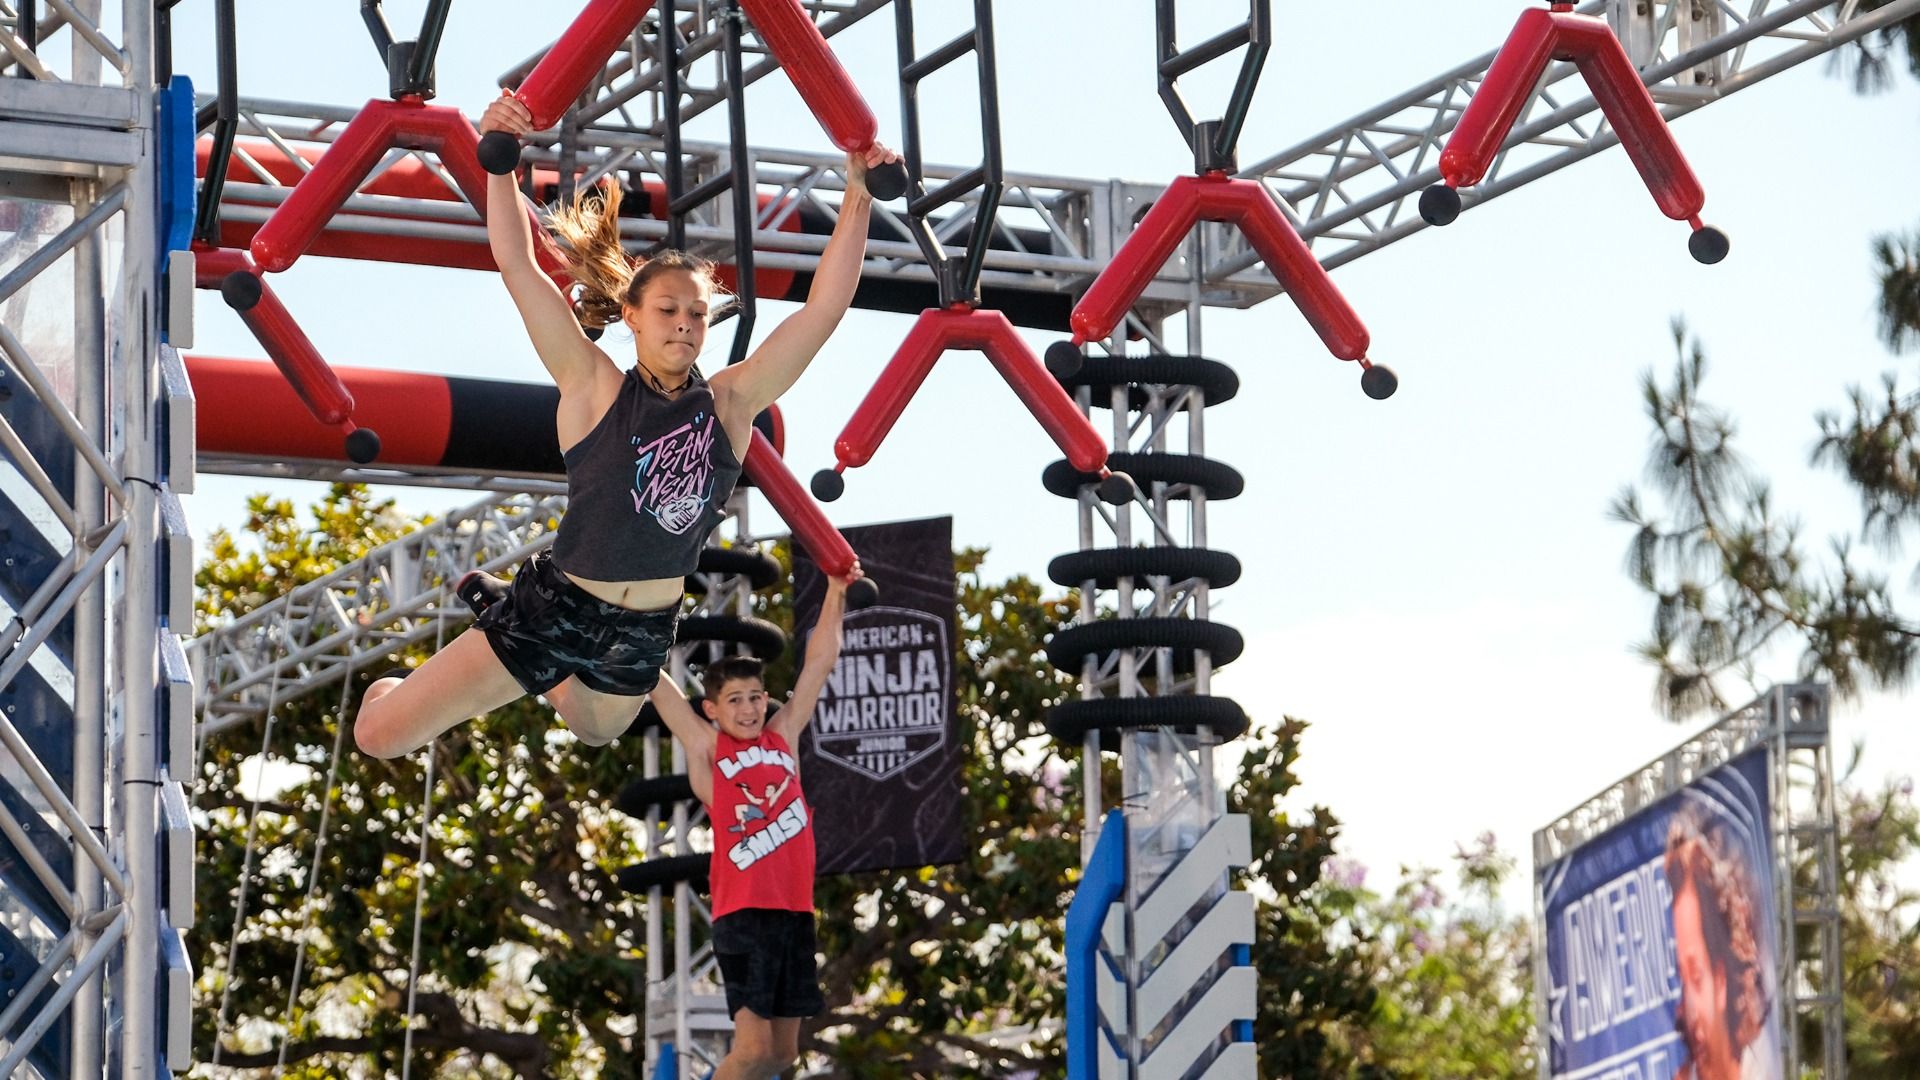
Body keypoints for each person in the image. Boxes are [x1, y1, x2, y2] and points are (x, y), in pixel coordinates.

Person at [353, 93, 894, 761]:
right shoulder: (594, 386)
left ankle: (522, 649)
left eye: (697, 314)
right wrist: (498, 165)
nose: (685, 324)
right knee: (377, 738)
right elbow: (519, 267)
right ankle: (459, 648)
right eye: (668, 310)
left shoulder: (730, 403)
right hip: (556, 609)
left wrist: (858, 194)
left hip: (642, 631)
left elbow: (822, 312)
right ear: (632, 316)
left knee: (598, 728)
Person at [648, 570, 856, 1080]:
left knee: (782, 1055)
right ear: (712, 708)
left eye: (756, 696)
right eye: (735, 700)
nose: (748, 708)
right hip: (744, 912)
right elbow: (654, 681)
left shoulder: (783, 736)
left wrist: (836, 587)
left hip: (794, 909)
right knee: (752, 1048)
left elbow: (820, 662)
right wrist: (625, 609)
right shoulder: (706, 746)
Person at [1665, 804, 1781, 1080]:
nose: (1684, 1013)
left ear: (1722, 979)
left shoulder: (1770, 1066)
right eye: (1683, 980)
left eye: (1695, 976)